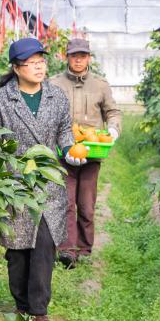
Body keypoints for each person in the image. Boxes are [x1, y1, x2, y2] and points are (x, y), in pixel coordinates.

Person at [0, 37, 88, 321]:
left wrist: (70, 151)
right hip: (14, 183)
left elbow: (64, 134)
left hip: (47, 184)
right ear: (17, 68)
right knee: (18, 250)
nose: (40, 67)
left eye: (42, 62)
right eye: (33, 63)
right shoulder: (2, 100)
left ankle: (39, 308)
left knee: (44, 245)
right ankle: (20, 302)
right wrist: (3, 171)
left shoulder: (56, 97)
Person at [49, 37, 122, 267]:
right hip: (64, 153)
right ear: (66, 57)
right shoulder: (54, 83)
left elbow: (113, 111)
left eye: (82, 55)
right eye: (74, 55)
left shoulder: (100, 85)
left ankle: (84, 248)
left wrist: (113, 129)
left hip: (92, 153)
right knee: (66, 202)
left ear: (89, 58)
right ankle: (67, 250)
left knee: (87, 204)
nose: (78, 59)